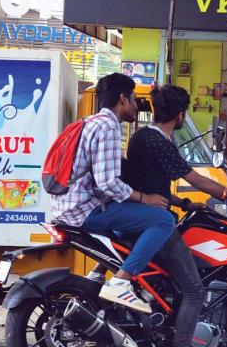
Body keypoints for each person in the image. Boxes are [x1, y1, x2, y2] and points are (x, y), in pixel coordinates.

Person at [122, 84, 227, 347]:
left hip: (140, 217)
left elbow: (149, 184)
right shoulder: (159, 142)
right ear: (180, 115)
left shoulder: (142, 137)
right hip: (154, 225)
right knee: (194, 290)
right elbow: (196, 179)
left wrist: (183, 203)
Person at [50, 73, 173, 314]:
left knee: (126, 226)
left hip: (67, 206)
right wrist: (144, 198)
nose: (136, 105)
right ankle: (121, 281)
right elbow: (108, 183)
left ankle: (97, 274)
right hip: (84, 211)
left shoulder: (91, 121)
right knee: (163, 220)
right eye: (134, 99)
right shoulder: (109, 126)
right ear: (122, 99)